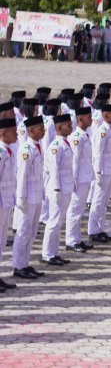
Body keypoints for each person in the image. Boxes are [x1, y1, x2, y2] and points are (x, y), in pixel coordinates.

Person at [12, 115, 47, 279]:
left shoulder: (38, 146)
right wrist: (20, 198)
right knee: (23, 231)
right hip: (27, 197)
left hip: (36, 195)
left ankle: (25, 263)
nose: (44, 131)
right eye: (40, 128)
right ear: (31, 131)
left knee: (32, 232)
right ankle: (18, 266)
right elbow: (22, 176)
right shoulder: (26, 150)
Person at [40, 114, 74, 266]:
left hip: (65, 187)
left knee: (59, 222)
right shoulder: (55, 147)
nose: (71, 127)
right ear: (59, 127)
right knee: (53, 222)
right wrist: (56, 190)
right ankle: (47, 254)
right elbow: (53, 171)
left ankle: (54, 252)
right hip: (57, 189)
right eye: (68, 125)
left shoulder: (65, 143)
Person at [65, 107, 95, 253]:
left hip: (85, 177)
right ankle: (71, 241)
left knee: (80, 210)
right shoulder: (76, 137)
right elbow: (75, 162)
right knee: (74, 210)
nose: (91, 119)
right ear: (80, 119)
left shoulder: (84, 134)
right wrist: (74, 182)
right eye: (88, 117)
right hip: (79, 180)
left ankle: (77, 239)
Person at [87, 103, 111, 243]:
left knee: (104, 202)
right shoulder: (102, 131)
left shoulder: (110, 129)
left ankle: (100, 228)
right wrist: (97, 172)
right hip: (103, 171)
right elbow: (98, 153)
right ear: (106, 115)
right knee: (98, 201)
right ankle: (93, 230)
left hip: (109, 169)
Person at [0, 118, 19, 290]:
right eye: (14, 130)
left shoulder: (8, 151)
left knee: (1, 240)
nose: (17, 132)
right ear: (3, 133)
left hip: (6, 201)